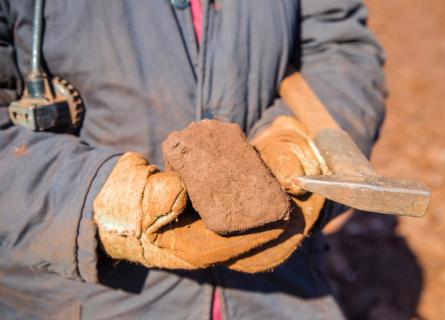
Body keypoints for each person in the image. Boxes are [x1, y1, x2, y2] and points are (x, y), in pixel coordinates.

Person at [0, 0, 386, 319]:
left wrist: (300, 146)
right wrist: (110, 201)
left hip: (280, 294)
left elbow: (339, 48)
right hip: (80, 297)